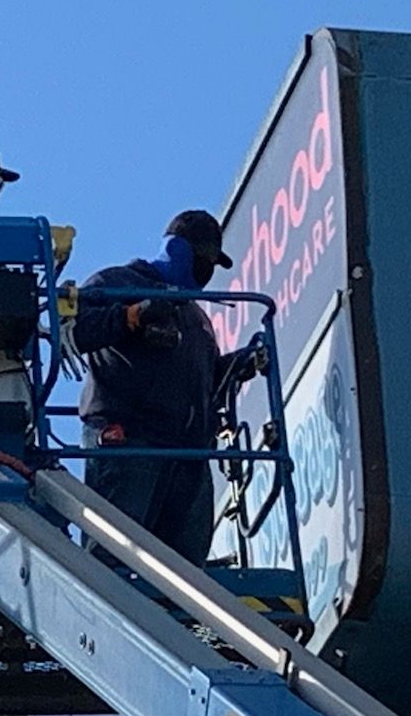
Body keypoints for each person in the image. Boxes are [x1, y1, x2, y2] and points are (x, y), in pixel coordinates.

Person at [72, 210, 267, 565]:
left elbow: (205, 380)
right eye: (203, 257)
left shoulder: (195, 317)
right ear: (178, 249)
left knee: (185, 572)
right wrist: (135, 315)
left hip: (188, 455)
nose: (207, 269)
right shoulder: (117, 282)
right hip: (131, 441)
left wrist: (239, 365)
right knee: (110, 563)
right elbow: (77, 330)